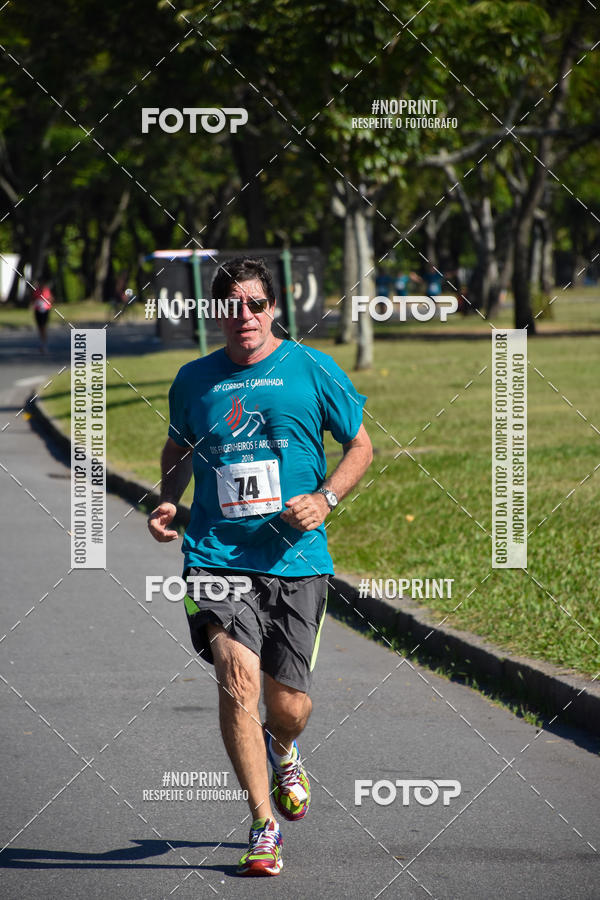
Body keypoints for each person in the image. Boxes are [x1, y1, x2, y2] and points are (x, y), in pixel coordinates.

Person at [148, 257, 372, 877]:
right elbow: (178, 446)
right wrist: (170, 497)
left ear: (273, 309)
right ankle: (261, 823)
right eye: (230, 305)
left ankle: (285, 748)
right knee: (236, 675)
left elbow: (362, 444)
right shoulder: (194, 380)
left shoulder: (309, 368)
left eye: (255, 304)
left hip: (295, 560)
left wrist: (326, 500)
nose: (243, 315)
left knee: (289, 705)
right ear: (217, 312)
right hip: (216, 556)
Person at [31, 281, 54, 353]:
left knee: (43, 327)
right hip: (37, 310)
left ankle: (44, 344)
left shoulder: (47, 291)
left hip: (45, 310)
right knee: (39, 327)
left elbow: (51, 299)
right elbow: (33, 299)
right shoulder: (36, 291)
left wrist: (47, 302)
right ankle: (41, 342)